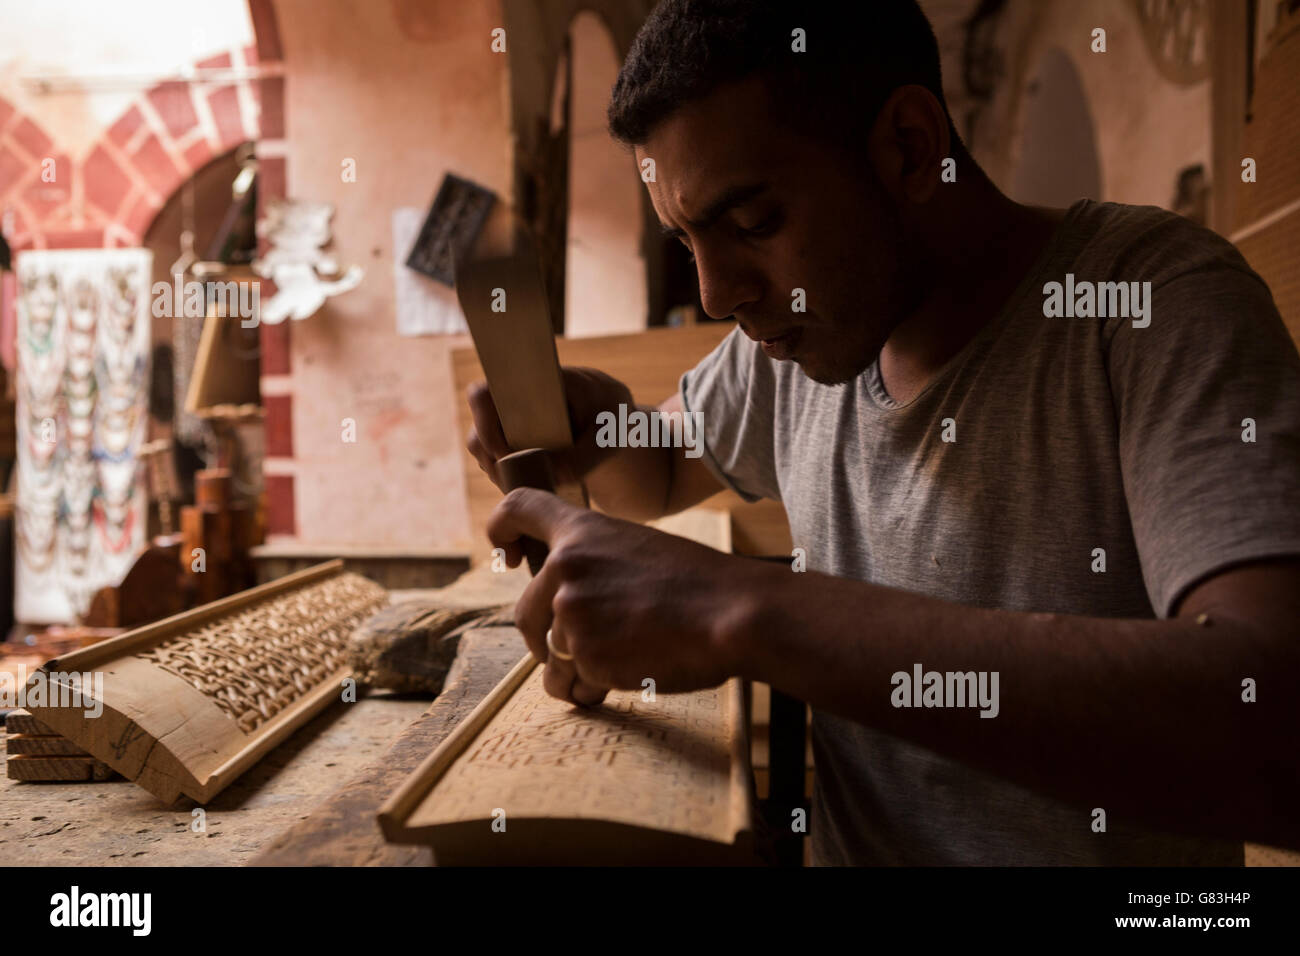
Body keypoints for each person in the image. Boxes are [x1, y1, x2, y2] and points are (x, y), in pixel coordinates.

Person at [466, 0, 1300, 865]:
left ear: (909, 146)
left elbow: (1271, 717)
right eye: (687, 242)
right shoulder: (793, 343)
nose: (717, 293)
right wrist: (594, 431)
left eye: (753, 223)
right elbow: (664, 469)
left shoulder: (1151, 304)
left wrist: (740, 611)